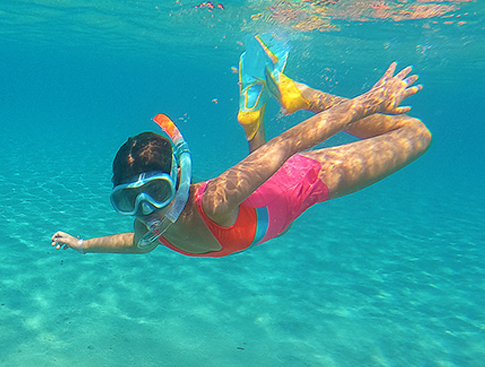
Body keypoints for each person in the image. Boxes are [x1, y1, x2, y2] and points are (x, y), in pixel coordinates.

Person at [50, 35, 431, 258]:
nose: (146, 209)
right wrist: (83, 244)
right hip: (266, 198)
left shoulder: (215, 199)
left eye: (156, 191)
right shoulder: (148, 226)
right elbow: (131, 243)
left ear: (178, 177)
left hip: (309, 180)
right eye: (129, 200)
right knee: (258, 178)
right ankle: (255, 120)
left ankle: (302, 96)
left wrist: (371, 100)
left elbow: (290, 143)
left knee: (416, 134)